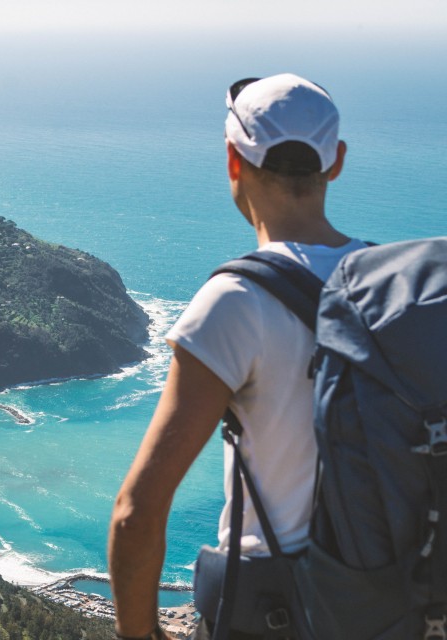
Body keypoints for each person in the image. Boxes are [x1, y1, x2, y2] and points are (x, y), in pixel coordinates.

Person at [107, 73, 368, 640]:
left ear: (233, 159)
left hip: (275, 613)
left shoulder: (235, 302)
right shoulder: (394, 285)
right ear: (337, 161)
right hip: (391, 604)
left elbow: (137, 512)